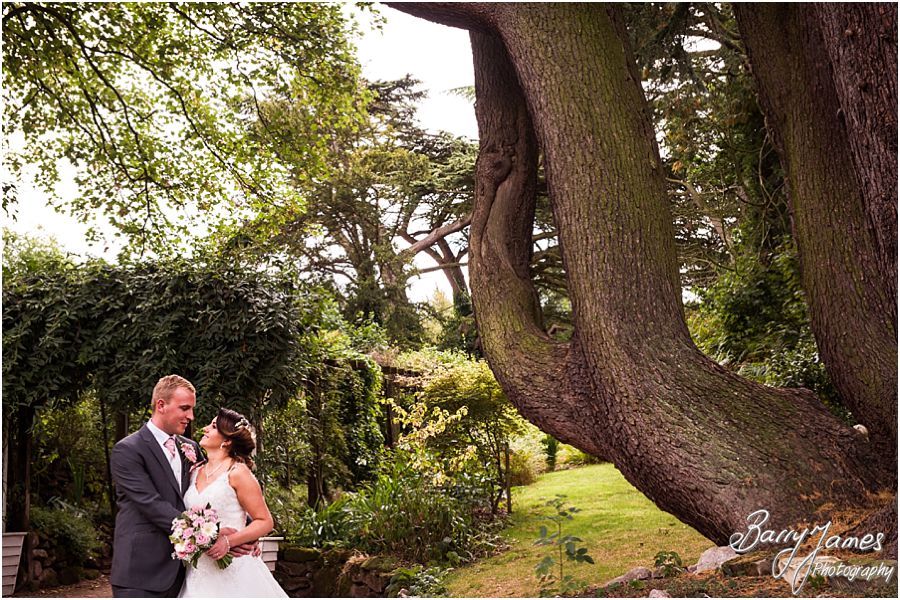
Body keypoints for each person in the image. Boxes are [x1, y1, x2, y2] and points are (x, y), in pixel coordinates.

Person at [110, 375, 255, 597]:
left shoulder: (191, 448)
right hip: (140, 573)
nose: (191, 416)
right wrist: (213, 534)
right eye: (185, 408)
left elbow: (215, 489)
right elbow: (151, 505)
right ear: (161, 405)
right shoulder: (128, 450)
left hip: (185, 573)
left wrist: (246, 533)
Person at [179, 407, 287, 598]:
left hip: (233, 568)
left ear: (227, 440)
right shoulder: (194, 471)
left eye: (213, 426)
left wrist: (229, 542)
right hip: (198, 571)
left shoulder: (238, 472)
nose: (205, 428)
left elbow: (265, 521)